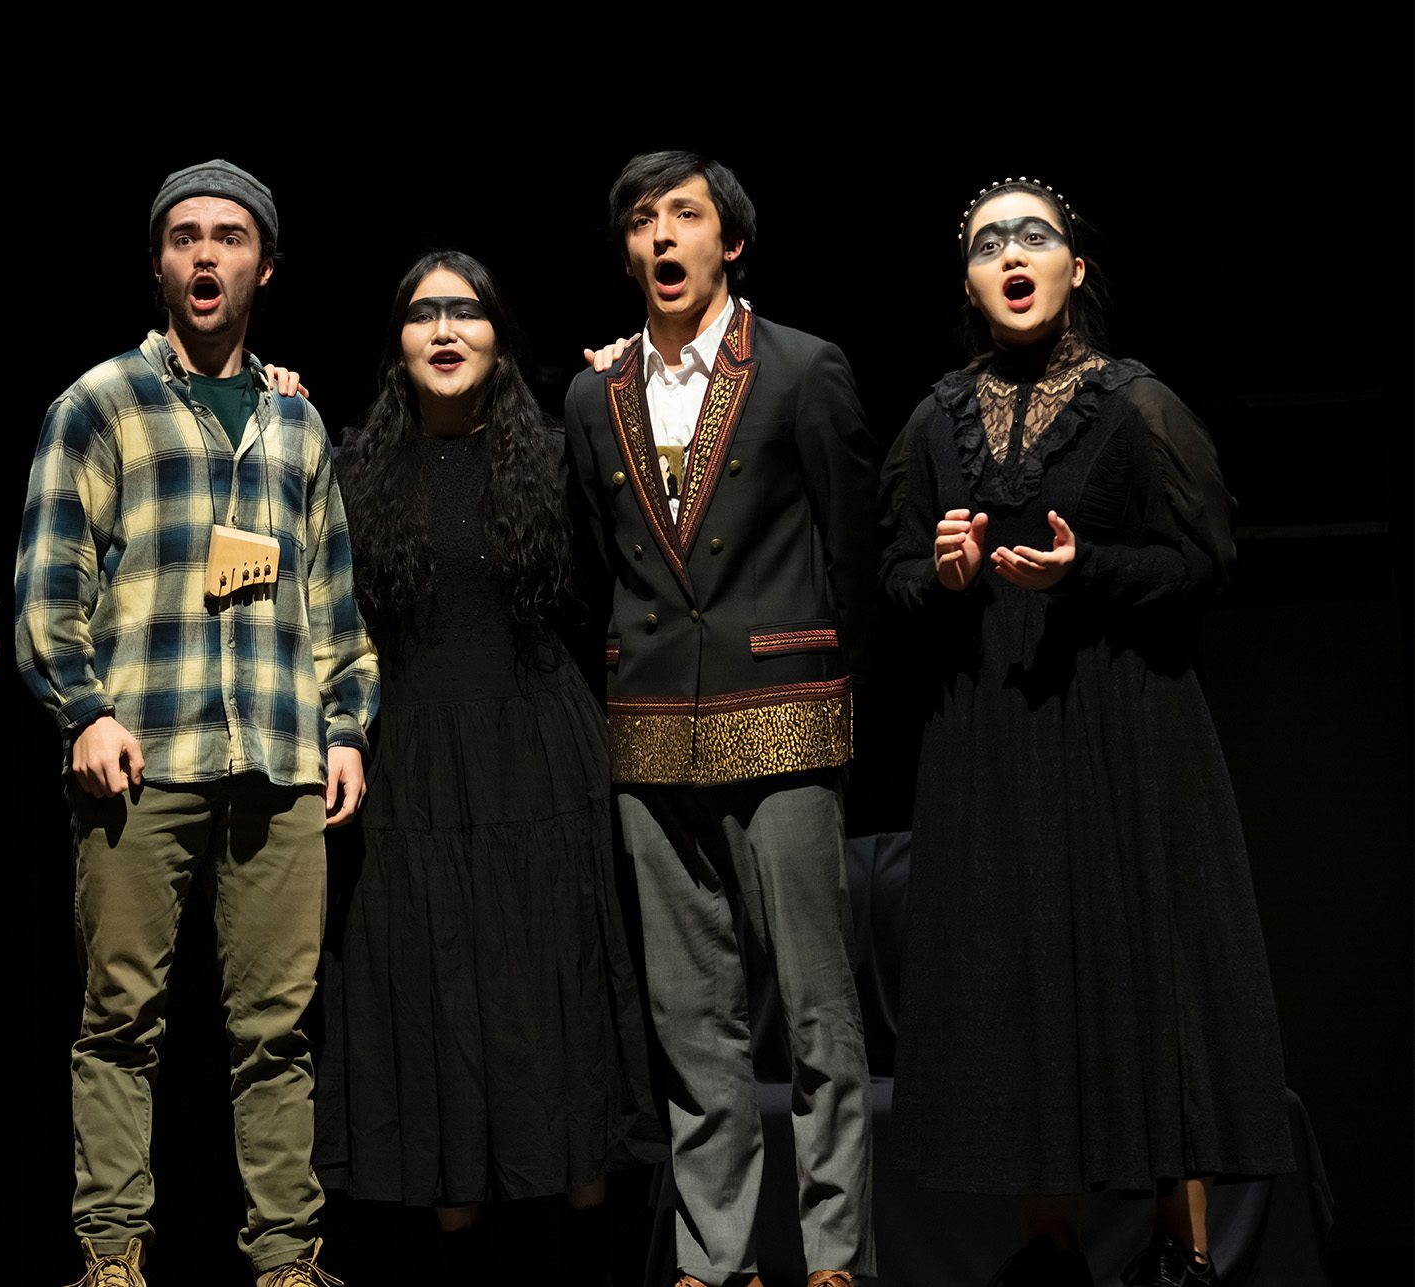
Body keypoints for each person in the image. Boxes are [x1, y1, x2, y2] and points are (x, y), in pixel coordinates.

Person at [879, 178, 1293, 1287]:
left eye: (1035, 236)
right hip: (993, 736)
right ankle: (1049, 1248)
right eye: (986, 242)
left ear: (1077, 268)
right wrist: (946, 574)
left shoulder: (1135, 401)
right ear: (968, 281)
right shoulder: (935, 418)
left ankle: (1181, 1249)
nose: (1012, 255)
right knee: (1022, 975)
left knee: (1145, 964)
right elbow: (893, 577)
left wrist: (1089, 570)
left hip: (1123, 725)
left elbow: (1207, 564)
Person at [14, 159, 376, 1287]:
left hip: (276, 756)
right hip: (144, 754)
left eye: (227, 237)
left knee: (277, 1033)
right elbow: (45, 589)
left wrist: (348, 726)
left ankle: (284, 1260)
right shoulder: (99, 404)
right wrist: (84, 711)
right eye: (183, 237)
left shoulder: (297, 424)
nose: (204, 255)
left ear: (264, 264)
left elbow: (333, 605)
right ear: (160, 263)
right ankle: (112, 1255)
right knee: (121, 1020)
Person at [315, 251, 664, 1276]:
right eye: (423, 313)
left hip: (538, 754)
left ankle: (586, 1240)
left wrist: (622, 388)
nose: (446, 328)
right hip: (412, 758)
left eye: (467, 311)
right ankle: (455, 1241)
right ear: (397, 345)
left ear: (501, 337)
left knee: (552, 985)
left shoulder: (558, 452)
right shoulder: (350, 469)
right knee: (437, 995)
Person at [566, 151, 878, 1287]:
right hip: (651, 723)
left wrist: (834, 681)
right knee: (691, 1019)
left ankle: (835, 1250)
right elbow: (604, 562)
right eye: (642, 219)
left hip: (785, 710)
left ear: (728, 243)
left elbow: (850, 542)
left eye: (683, 216)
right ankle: (716, 1253)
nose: (661, 235)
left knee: (815, 1012)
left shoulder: (800, 368)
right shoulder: (593, 396)